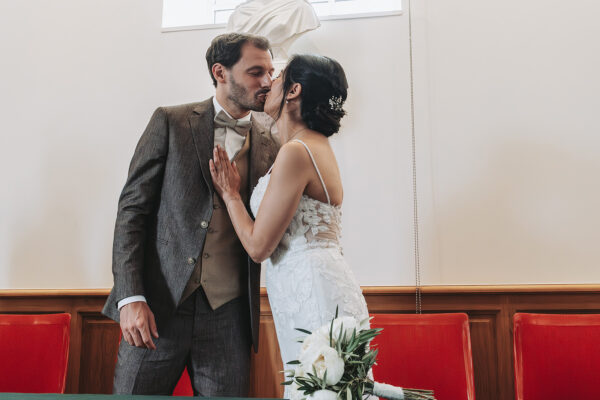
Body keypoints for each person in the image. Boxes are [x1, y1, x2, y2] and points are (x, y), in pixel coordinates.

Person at [102, 32, 279, 396]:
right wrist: (131, 297)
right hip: (157, 307)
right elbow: (131, 214)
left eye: (270, 73)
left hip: (229, 316)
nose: (266, 82)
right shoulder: (170, 122)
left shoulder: (272, 145)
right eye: (255, 71)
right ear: (220, 72)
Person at [210, 54, 370, 399]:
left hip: (313, 293)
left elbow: (258, 247)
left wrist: (231, 195)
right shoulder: (310, 145)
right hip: (310, 286)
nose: (269, 83)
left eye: (279, 76)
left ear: (294, 90)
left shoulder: (297, 152)